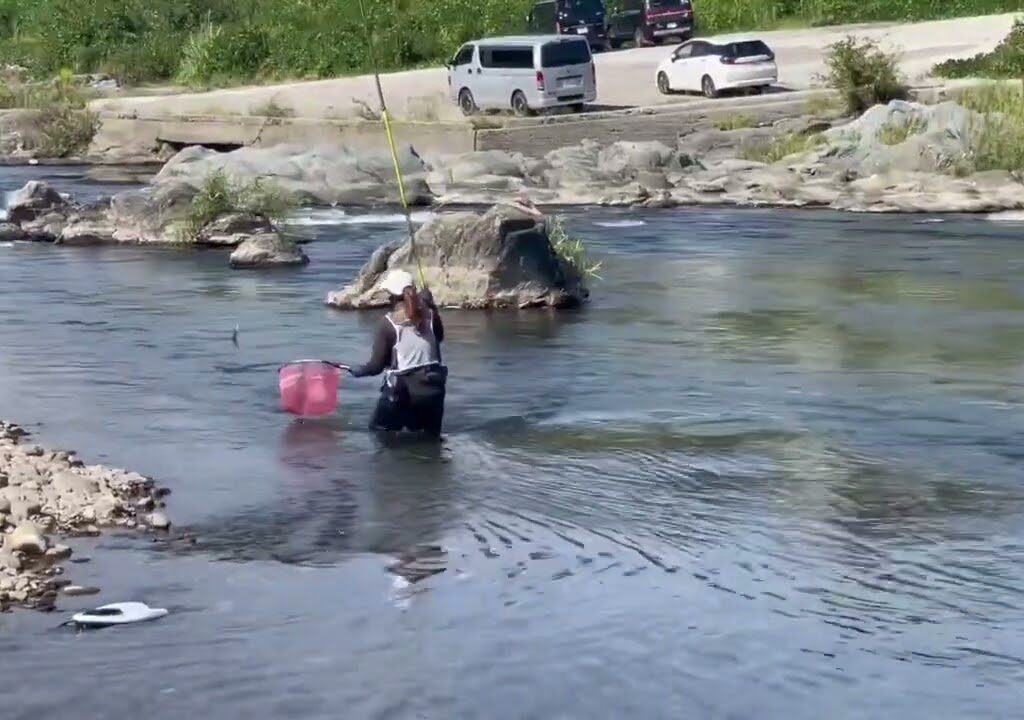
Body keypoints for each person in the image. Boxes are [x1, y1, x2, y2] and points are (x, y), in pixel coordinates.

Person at [348, 269, 447, 438]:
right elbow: (438, 338)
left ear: (392, 296)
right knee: (430, 441)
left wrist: (360, 370)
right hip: (433, 393)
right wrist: (432, 307)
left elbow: (376, 366)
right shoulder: (431, 316)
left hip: (402, 394)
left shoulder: (389, 323)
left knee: (379, 434)